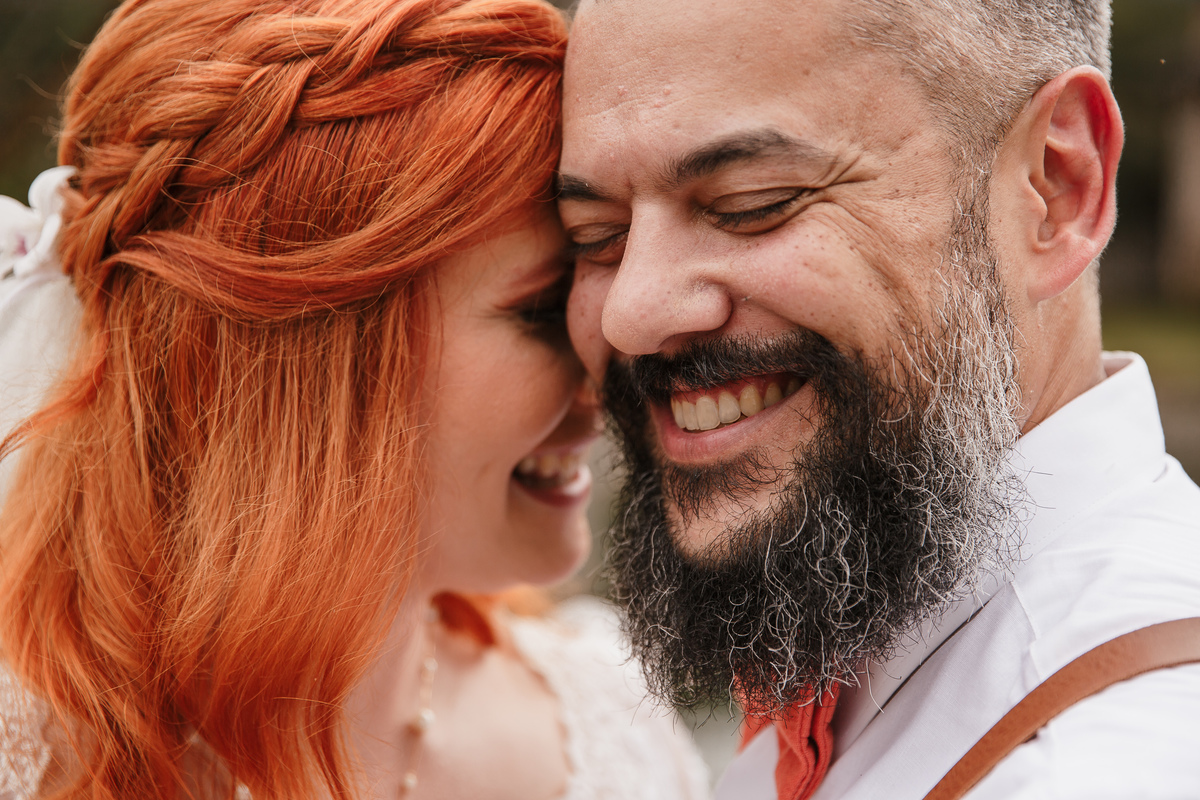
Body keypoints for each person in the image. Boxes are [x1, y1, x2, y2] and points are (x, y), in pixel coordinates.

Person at [0, 0, 710, 798]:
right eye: (543, 311)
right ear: (306, 368)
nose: (604, 377)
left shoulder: (613, 723)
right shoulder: (28, 754)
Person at [558, 0, 1200, 798]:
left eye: (753, 202)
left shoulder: (1110, 758)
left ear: (1057, 187)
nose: (631, 314)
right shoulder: (850, 628)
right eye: (593, 236)